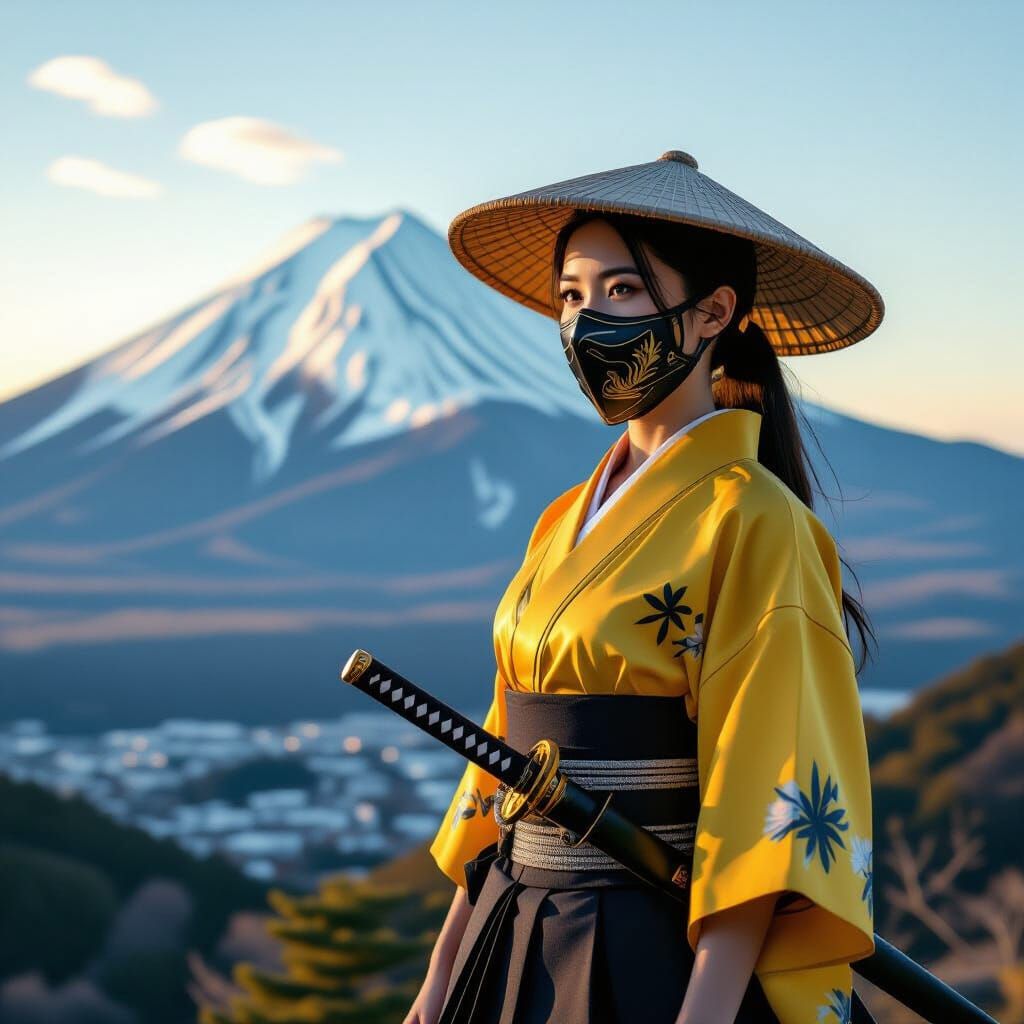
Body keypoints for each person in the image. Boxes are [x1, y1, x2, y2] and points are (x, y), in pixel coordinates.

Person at [405, 149, 883, 1024]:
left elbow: (762, 792)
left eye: (621, 292)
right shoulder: (562, 519)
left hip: (651, 947)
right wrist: (439, 986)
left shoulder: (756, 520)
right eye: (571, 297)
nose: (588, 323)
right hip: (510, 921)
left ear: (713, 313)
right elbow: (503, 769)